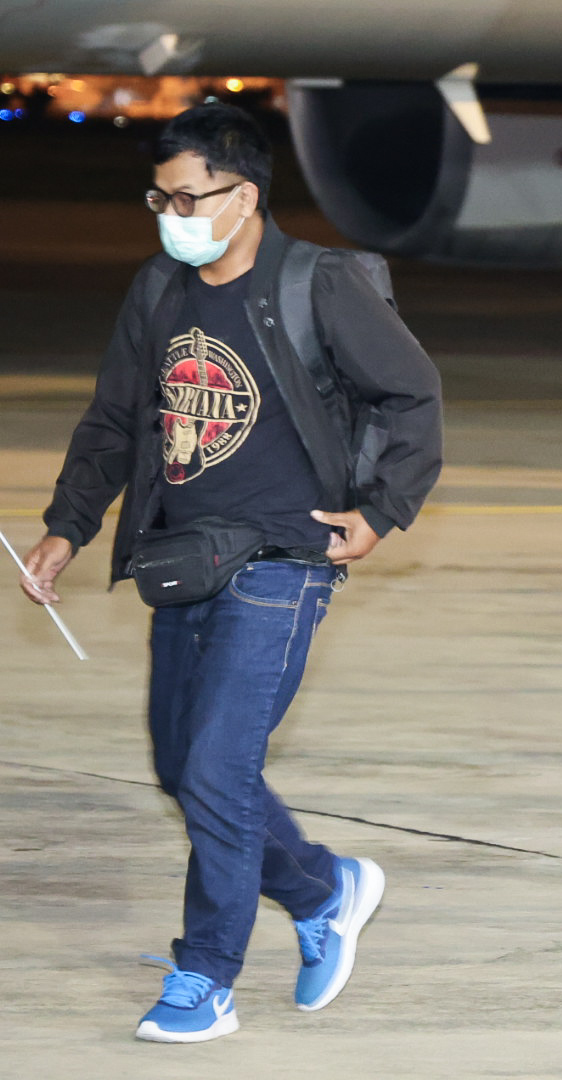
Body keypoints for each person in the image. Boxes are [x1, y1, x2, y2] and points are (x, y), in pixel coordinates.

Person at [17, 103, 443, 1042]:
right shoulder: (159, 291)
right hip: (184, 558)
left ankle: (205, 976)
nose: (170, 215)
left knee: (217, 766)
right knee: (181, 765)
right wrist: (67, 528)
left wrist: (381, 512)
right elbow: (115, 418)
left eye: (186, 198)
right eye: (158, 198)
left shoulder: (319, 283)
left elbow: (412, 394)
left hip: (284, 560)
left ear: (243, 197)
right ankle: (324, 890)